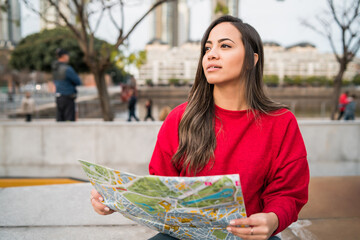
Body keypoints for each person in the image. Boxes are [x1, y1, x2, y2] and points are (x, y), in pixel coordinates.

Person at [90, 15, 309, 240]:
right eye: (207, 48)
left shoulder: (281, 121)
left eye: (225, 46)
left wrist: (272, 218)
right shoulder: (179, 118)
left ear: (251, 60)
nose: (211, 54)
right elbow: (161, 188)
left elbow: (289, 193)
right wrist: (117, 199)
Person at [52, 48, 81, 121]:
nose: (68, 57)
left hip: (58, 97)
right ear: (64, 56)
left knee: (60, 121)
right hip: (68, 97)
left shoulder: (55, 68)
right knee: (69, 121)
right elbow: (78, 81)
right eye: (67, 55)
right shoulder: (67, 69)